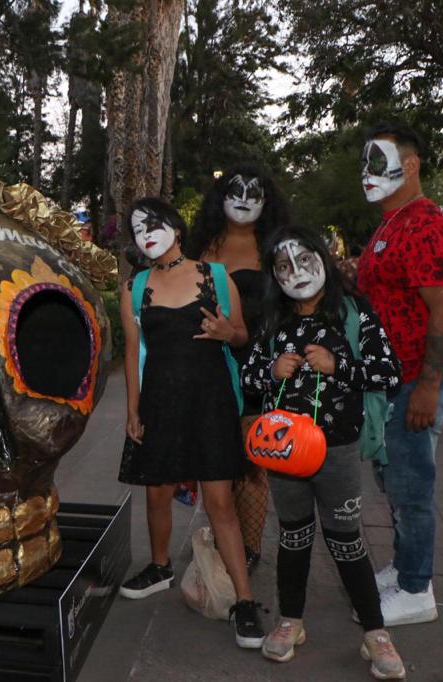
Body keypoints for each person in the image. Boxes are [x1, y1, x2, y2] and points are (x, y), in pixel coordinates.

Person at [242, 226, 405, 679]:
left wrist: (340, 366)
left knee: (346, 539)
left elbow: (389, 372)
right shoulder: (273, 321)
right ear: (274, 275)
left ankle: (375, 633)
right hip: (284, 453)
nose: (296, 272)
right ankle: (291, 621)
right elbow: (248, 380)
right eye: (283, 265)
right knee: (293, 536)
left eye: (304, 259)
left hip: (337, 450)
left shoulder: (354, 312)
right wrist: (272, 371)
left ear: (323, 258)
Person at [117, 197, 265, 648]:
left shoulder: (215, 276)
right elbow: (131, 353)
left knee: (221, 503)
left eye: (155, 222)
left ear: (176, 227)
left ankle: (243, 601)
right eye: (138, 227)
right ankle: (160, 567)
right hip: (160, 401)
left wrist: (228, 334)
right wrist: (132, 409)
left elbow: (240, 333)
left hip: (210, 402)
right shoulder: (135, 287)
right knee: (157, 493)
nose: (147, 233)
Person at [356, 122, 443, 626]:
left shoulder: (424, 224)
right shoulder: (392, 223)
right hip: (387, 381)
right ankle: (403, 568)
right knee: (394, 482)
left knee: (411, 487)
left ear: (411, 164)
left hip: (412, 380)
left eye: (377, 162)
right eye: (365, 164)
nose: (366, 174)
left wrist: (429, 385)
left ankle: (417, 589)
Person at [186, 163, 291, 574]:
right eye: (236, 191)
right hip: (206, 361)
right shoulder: (201, 245)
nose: (244, 199)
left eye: (254, 192)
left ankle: (248, 549)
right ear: (221, 197)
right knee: (213, 457)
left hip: (259, 364)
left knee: (252, 457)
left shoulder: (276, 246)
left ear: (267, 201)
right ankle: (220, 539)